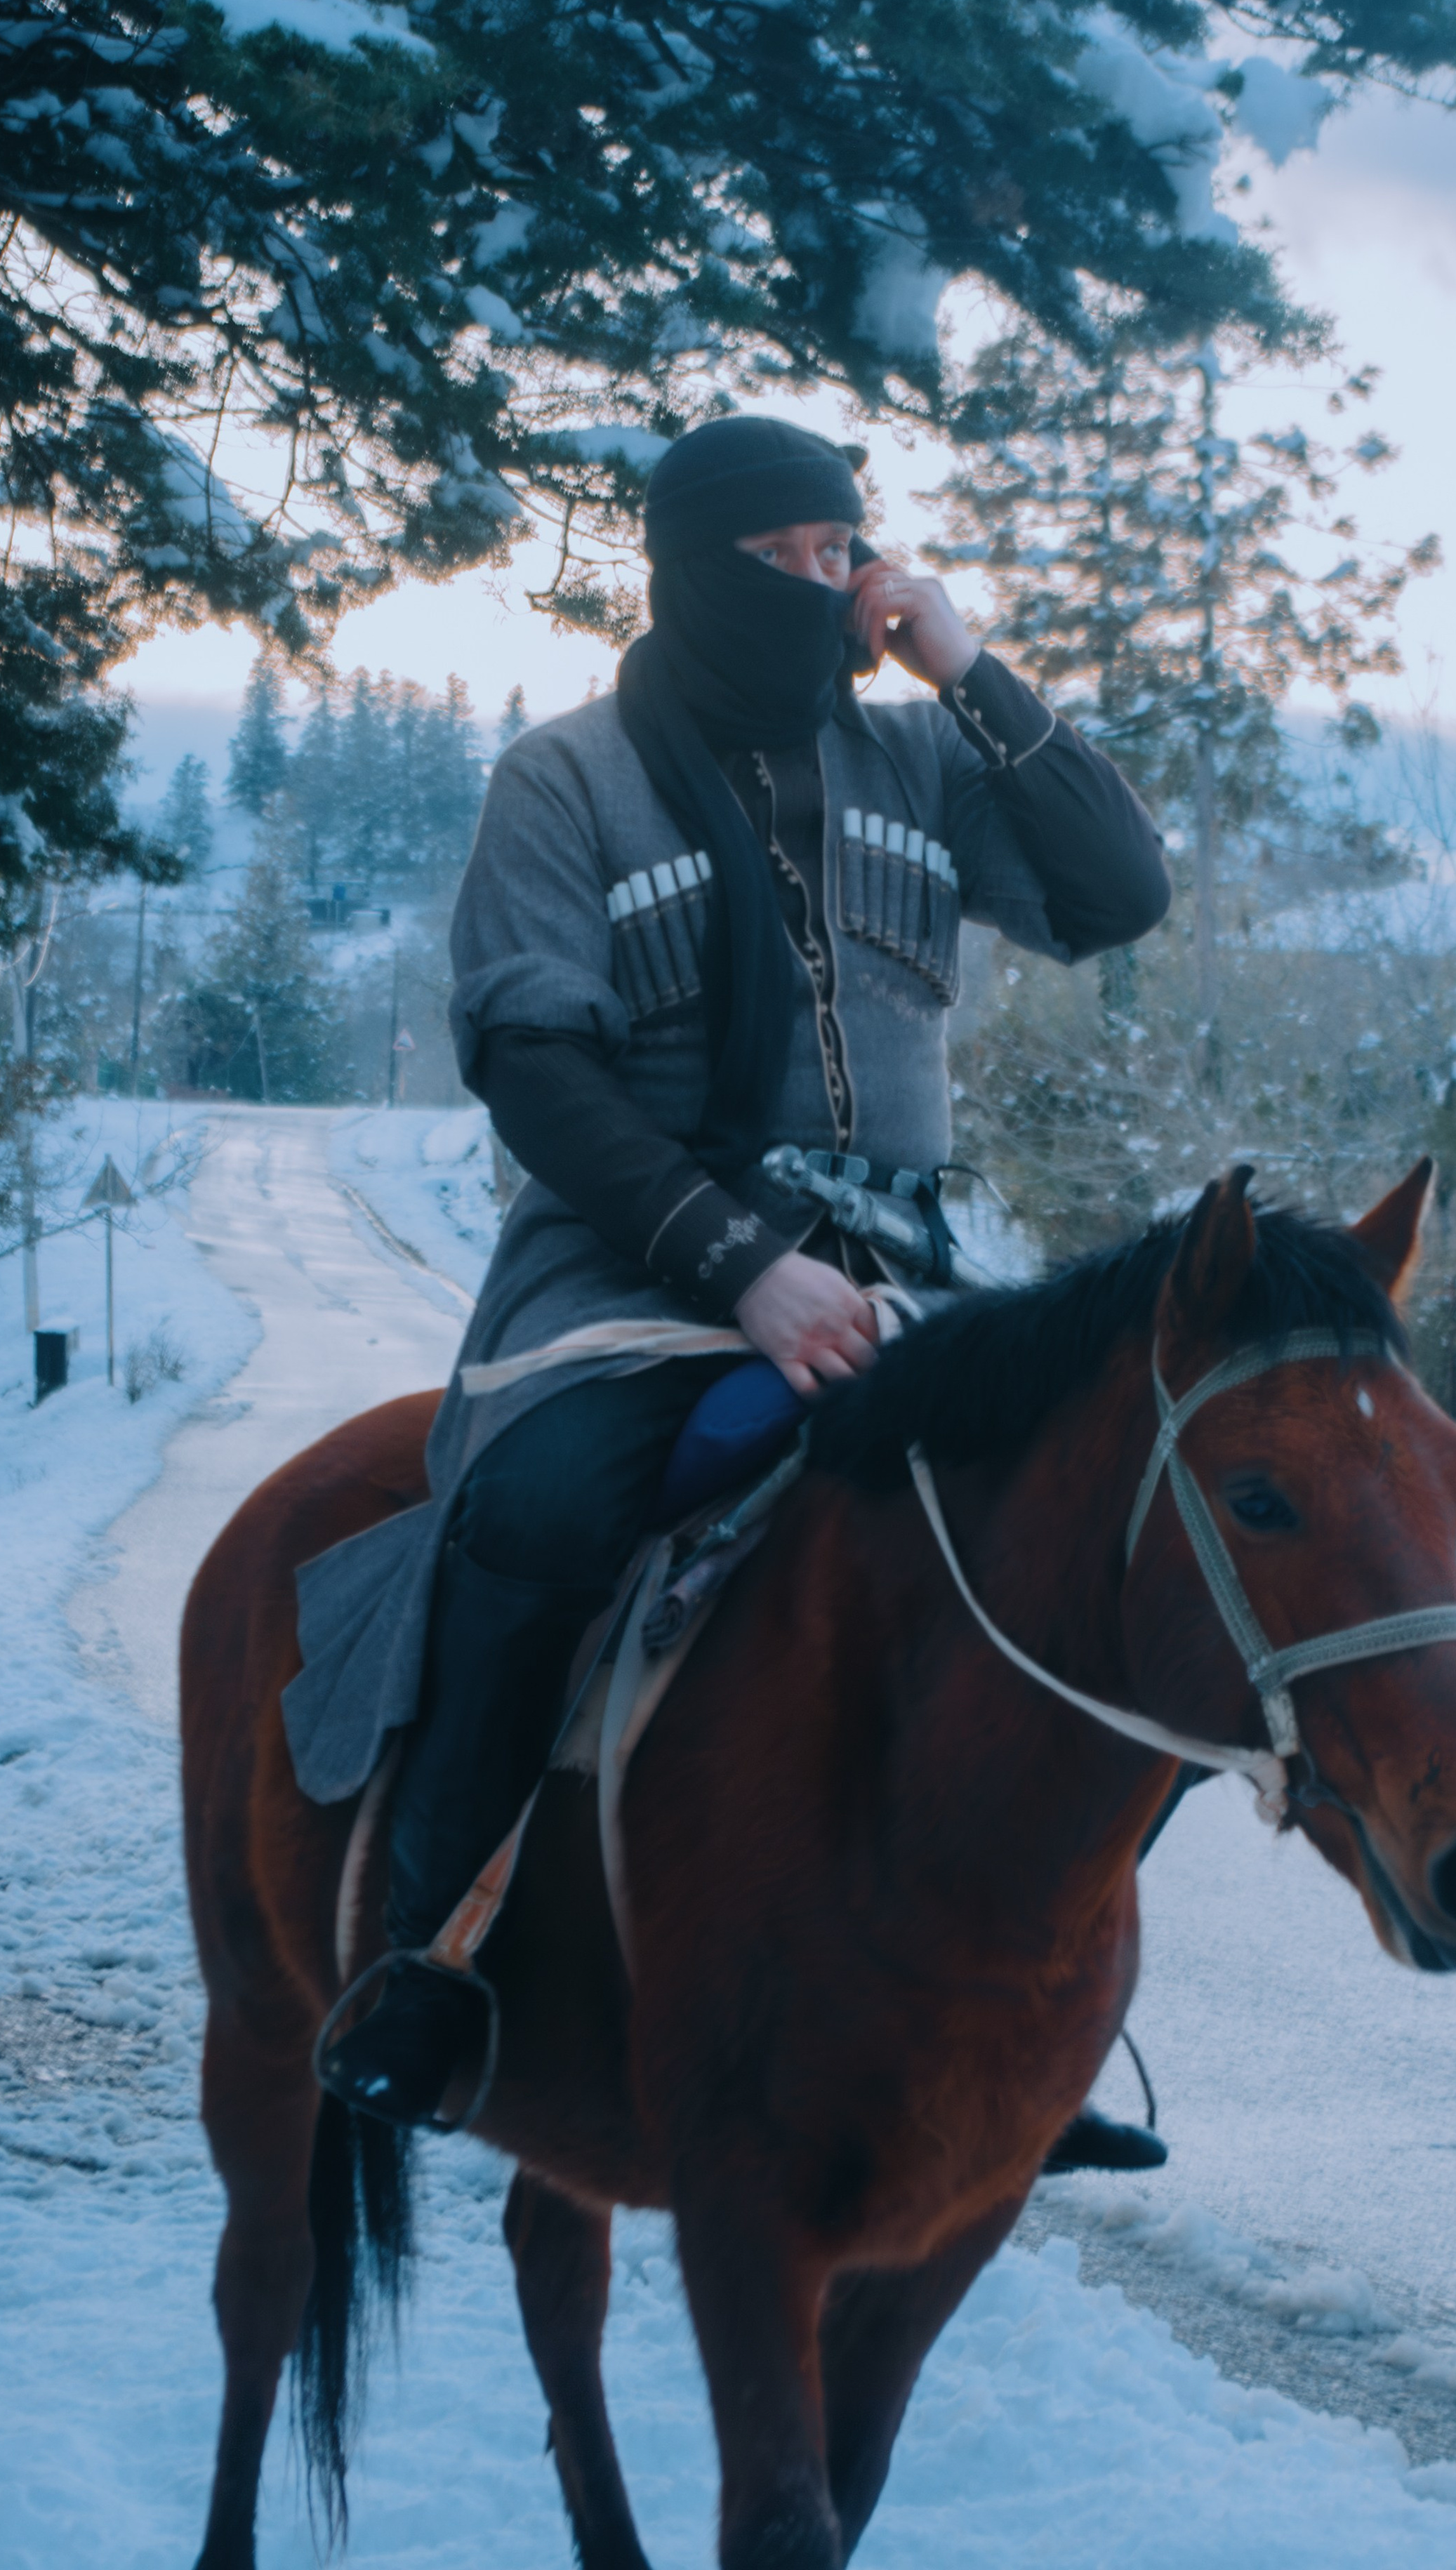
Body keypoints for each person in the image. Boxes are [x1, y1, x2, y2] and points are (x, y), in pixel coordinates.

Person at [307, 416, 1173, 2139]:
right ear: (687, 570)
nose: (816, 585)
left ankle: (1002, 1986)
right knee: (546, 1508)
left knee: (1100, 1526)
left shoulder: (921, 767)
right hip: (631, 1264)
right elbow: (535, 1065)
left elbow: (1115, 888)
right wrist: (744, 1266)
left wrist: (972, 667)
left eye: (837, 550)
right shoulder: (567, 780)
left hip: (909, 1259)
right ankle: (433, 1954)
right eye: (773, 557)